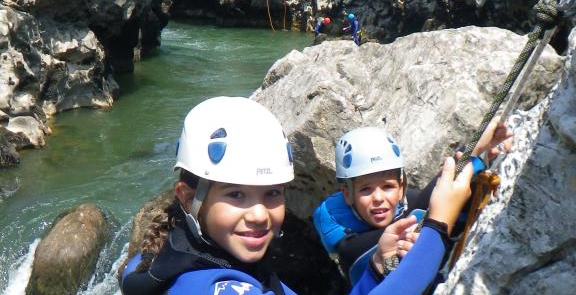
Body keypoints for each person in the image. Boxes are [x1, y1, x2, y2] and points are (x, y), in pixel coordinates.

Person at [119, 96, 477, 295]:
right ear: (187, 197)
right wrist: (437, 227)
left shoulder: (184, 262)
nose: (259, 214)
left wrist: (375, 269)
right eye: (237, 195)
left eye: (272, 193)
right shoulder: (214, 288)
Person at [313, 124, 512, 285]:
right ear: (348, 195)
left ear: (401, 188)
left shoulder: (409, 203)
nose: (378, 198)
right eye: (366, 189)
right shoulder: (352, 250)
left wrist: (485, 163)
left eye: (387, 186)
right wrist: (471, 152)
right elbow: (428, 209)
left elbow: (453, 217)